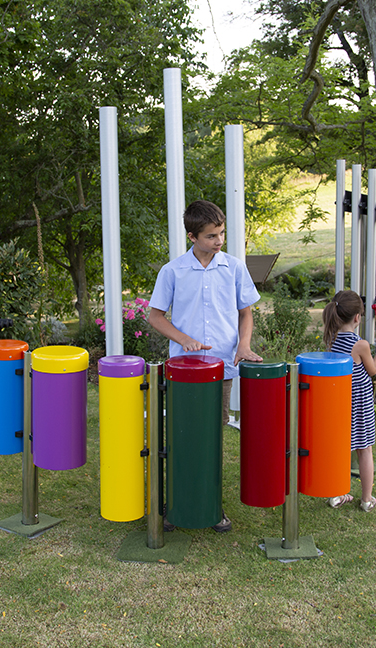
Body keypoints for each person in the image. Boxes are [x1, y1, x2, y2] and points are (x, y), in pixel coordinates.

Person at [147, 200, 263, 532]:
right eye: (212, 236)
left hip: (223, 368)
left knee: (212, 435)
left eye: (222, 233)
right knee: (182, 436)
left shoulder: (234, 268)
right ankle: (177, 503)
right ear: (192, 236)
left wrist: (243, 345)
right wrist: (183, 339)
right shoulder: (173, 271)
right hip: (183, 372)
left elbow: (246, 313)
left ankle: (211, 504)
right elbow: (155, 317)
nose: (219, 241)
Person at [322, 289, 376, 512]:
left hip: (340, 401)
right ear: (357, 317)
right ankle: (367, 499)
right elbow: (373, 369)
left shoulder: (331, 338)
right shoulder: (360, 345)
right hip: (359, 403)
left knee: (340, 447)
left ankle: (337, 493)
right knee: (365, 449)